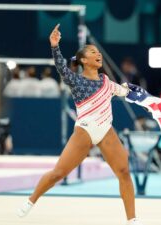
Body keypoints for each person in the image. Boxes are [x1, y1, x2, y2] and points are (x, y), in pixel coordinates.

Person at [17, 24, 143, 225]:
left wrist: (141, 96)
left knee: (124, 172)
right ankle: (31, 200)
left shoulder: (107, 82)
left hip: (106, 130)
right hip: (84, 131)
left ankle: (132, 220)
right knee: (58, 173)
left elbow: (127, 93)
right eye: (93, 52)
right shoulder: (76, 81)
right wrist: (54, 46)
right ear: (84, 60)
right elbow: (61, 67)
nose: (98, 54)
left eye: (99, 52)